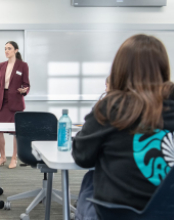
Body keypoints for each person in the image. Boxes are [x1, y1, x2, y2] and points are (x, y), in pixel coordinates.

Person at [72, 34, 174, 214]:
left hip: (117, 214)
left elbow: (82, 156)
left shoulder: (110, 107)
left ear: (120, 69)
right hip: (167, 212)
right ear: (164, 68)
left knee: (90, 179)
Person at [0, 41, 30, 169]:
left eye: (9, 48)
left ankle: (14, 158)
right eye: (5, 49)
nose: (6, 51)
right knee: (0, 131)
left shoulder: (22, 66)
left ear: (16, 50)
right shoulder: (2, 65)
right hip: (3, 100)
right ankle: (2, 157)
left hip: (16, 102)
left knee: (15, 132)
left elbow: (26, 84)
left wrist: (25, 89)